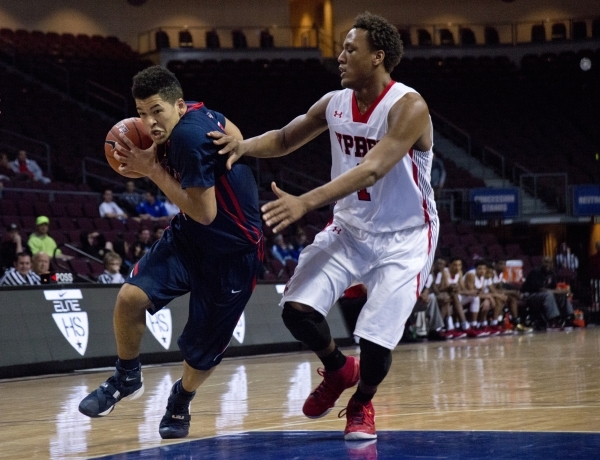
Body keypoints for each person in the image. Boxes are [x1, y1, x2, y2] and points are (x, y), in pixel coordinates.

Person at [210, 12, 438, 441]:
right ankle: (338, 369)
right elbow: (282, 138)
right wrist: (241, 146)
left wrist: (305, 202)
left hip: (406, 237)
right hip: (350, 228)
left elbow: (372, 170)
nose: (341, 55)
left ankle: (362, 401)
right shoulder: (334, 103)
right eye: (342, 47)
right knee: (296, 309)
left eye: (352, 48)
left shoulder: (409, 106)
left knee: (374, 340)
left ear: (378, 57)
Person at [78, 65, 262, 441]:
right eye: (142, 113)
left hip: (232, 253)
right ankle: (127, 376)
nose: (149, 122)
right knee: (130, 297)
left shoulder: (189, 140)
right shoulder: (198, 112)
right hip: (190, 239)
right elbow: (237, 134)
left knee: (199, 356)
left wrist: (153, 171)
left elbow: (206, 212)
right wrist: (228, 157)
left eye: (156, 111)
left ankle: (181, 398)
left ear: (177, 106)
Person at [520, 256, 574, 330]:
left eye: (549, 262)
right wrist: (559, 291)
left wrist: (563, 292)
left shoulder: (551, 273)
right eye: (545, 262)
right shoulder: (536, 272)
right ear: (542, 263)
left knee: (561, 296)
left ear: (552, 264)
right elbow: (540, 289)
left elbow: (554, 288)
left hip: (542, 295)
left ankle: (568, 317)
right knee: (548, 294)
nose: (547, 264)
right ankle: (553, 321)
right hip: (529, 295)